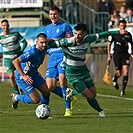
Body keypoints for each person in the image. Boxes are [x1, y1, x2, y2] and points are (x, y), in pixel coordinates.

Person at [47, 23, 125, 117]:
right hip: (72, 74)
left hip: (83, 71)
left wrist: (118, 32)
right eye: (76, 33)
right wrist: (44, 42)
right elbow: (50, 45)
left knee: (93, 94)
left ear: (84, 34)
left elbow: (104, 34)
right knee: (89, 95)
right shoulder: (67, 41)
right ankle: (100, 111)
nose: (77, 36)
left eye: (79, 34)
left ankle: (71, 92)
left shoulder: (88, 39)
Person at [43, 6, 77, 117]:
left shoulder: (65, 26)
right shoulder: (47, 28)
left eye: (55, 14)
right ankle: (70, 97)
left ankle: (68, 109)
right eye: (51, 14)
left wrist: (54, 40)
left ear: (59, 15)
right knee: (50, 87)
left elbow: (70, 40)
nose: (53, 16)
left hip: (63, 56)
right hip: (52, 57)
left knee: (62, 81)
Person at [11, 33, 51, 109]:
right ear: (36, 42)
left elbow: (53, 41)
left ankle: (44, 110)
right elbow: (15, 61)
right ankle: (16, 97)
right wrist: (23, 75)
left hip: (34, 74)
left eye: (45, 42)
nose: (44, 44)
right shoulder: (32, 52)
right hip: (23, 77)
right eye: (41, 42)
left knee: (46, 92)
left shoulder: (46, 47)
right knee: (36, 99)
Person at [0, 19, 27, 94]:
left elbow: (24, 42)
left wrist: (21, 51)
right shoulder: (0, 37)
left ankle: (22, 87)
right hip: (8, 59)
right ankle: (17, 93)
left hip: (17, 57)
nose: (6, 27)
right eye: (4, 25)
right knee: (11, 76)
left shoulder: (15, 34)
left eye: (7, 25)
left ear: (9, 26)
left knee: (21, 75)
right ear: (1, 26)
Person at [107, 19, 133, 96]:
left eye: (124, 26)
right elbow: (108, 44)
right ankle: (115, 79)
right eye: (121, 26)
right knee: (119, 73)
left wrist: (131, 53)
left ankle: (123, 90)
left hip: (125, 55)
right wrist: (109, 55)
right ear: (119, 26)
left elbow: (131, 44)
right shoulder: (115, 34)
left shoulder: (128, 35)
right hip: (117, 55)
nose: (122, 27)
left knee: (126, 71)